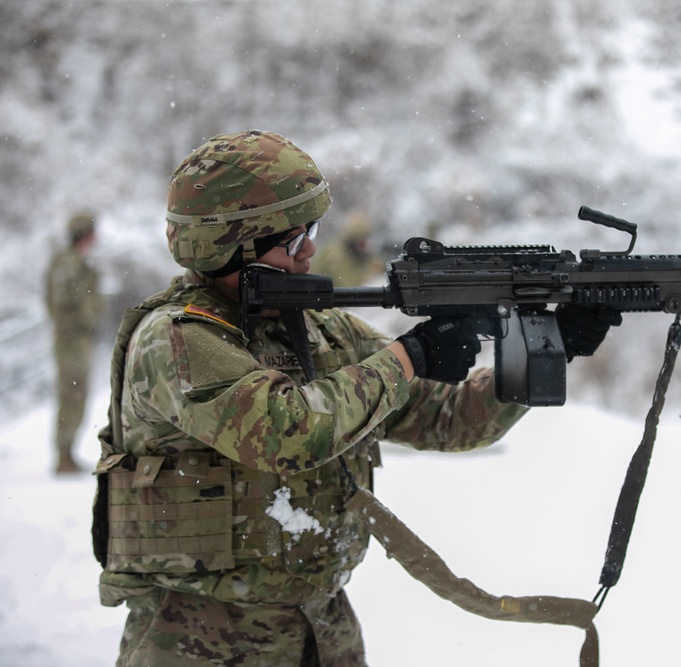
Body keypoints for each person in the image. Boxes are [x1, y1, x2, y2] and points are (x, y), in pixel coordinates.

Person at [92, 130, 617, 666]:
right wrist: (409, 356)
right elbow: (286, 432)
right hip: (199, 638)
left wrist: (539, 356)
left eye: (311, 232)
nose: (312, 250)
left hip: (324, 629)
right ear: (232, 247)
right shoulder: (177, 338)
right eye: (293, 240)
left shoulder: (323, 332)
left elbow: (448, 420)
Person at [45, 211, 103, 474]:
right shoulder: (69, 264)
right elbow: (61, 300)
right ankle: (63, 456)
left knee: (77, 394)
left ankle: (67, 454)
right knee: (71, 394)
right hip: (71, 340)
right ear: (85, 235)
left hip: (78, 339)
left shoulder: (77, 262)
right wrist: (82, 318)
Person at [310, 208, 384, 287]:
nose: (362, 243)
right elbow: (313, 277)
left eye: (364, 238)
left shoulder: (372, 262)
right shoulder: (331, 256)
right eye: (359, 238)